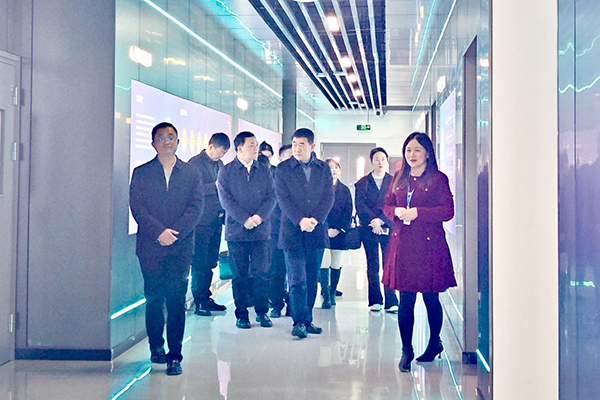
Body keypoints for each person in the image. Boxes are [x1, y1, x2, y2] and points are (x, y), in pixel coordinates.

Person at [129, 122, 203, 376]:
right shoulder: (141, 173)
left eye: (171, 137)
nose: (167, 141)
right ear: (153, 144)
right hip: (151, 246)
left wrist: (175, 234)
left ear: (178, 142)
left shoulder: (191, 173)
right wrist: (159, 232)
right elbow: (138, 208)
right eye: (161, 137)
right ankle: (156, 347)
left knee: (176, 301)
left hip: (180, 247)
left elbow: (196, 207)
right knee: (154, 299)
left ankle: (174, 356)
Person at [382, 132, 457, 373]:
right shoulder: (399, 177)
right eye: (408, 150)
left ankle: (434, 342)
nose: (411, 155)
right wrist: (395, 212)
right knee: (406, 299)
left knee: (430, 297)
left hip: (429, 246)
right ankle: (407, 350)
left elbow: (447, 211)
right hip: (403, 244)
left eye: (417, 150)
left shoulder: (438, 179)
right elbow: (387, 204)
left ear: (427, 153)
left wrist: (418, 212)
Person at [275, 128, 335, 339]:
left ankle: (307, 319)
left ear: (311, 146)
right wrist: (300, 220)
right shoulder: (283, 169)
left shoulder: (323, 168)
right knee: (296, 279)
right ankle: (298, 321)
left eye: (301, 144)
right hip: (292, 232)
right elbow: (283, 199)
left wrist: (316, 220)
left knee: (311, 279)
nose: (297, 148)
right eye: (294, 144)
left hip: (316, 232)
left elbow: (328, 197)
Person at [217, 131, 277, 329]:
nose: (256, 148)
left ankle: (262, 312)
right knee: (239, 276)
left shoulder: (264, 170)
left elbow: (272, 196)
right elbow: (226, 200)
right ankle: (242, 314)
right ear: (240, 148)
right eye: (252, 144)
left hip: (261, 231)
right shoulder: (226, 171)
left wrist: (259, 217)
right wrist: (244, 219)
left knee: (262, 274)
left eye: (256, 144)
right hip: (237, 232)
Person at [187, 133, 231, 317]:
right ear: (211, 146)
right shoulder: (194, 164)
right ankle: (199, 301)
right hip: (200, 222)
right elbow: (190, 190)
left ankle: (206, 297)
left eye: (224, 154)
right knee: (199, 263)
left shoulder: (219, 165)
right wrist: (215, 185)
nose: (221, 156)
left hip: (216, 220)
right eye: (220, 152)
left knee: (211, 261)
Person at [355, 147, 399, 313]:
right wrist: (374, 222)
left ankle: (391, 300)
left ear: (386, 161)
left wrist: (382, 220)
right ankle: (375, 300)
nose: (380, 162)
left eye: (383, 159)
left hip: (389, 228)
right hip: (369, 229)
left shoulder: (394, 182)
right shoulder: (362, 183)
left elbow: (396, 204)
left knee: (389, 264)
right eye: (376, 159)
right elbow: (360, 206)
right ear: (371, 162)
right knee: (372, 265)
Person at [320, 158, 353, 308]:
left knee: (335, 262)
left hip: (339, 232)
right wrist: (326, 229)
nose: (333, 170)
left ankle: (333, 291)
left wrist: (338, 229)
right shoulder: (320, 188)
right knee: (324, 262)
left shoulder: (344, 189)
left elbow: (348, 211)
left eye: (336, 167)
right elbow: (318, 210)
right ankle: (325, 294)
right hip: (323, 231)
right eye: (330, 167)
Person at [267, 144, 293, 318]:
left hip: (295, 230)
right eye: (288, 157)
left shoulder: (301, 179)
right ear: (281, 159)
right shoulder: (272, 178)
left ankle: (293, 305)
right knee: (276, 270)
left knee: (295, 272)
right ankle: (276, 304)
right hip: (275, 230)